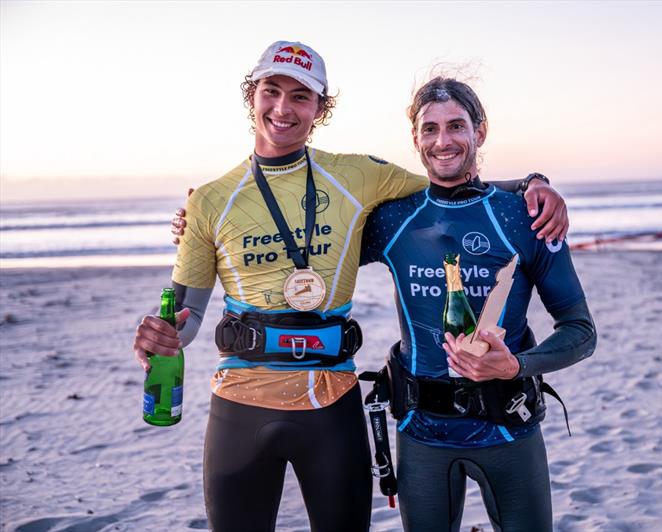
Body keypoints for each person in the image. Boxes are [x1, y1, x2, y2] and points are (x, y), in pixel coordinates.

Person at [137, 40, 569, 532]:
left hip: (332, 403)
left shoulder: (358, 176)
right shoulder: (211, 201)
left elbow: (449, 185)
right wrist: (161, 336)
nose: (283, 108)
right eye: (271, 91)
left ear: (320, 108)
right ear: (251, 96)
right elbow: (183, 323)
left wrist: (532, 183)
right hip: (239, 405)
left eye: (301, 96)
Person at [357, 77, 597, 531]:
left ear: (479, 132)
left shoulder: (524, 216)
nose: (442, 141)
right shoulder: (392, 218)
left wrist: (515, 366)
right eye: (430, 129)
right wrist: (206, 219)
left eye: (456, 126)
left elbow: (581, 332)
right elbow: (316, 246)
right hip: (421, 431)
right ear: (415, 139)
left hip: (506, 427)